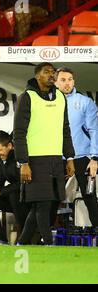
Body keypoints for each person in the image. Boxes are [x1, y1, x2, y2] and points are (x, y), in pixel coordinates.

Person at [13, 62, 75, 246]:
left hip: (56, 159)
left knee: (51, 203)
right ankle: (49, 244)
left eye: (53, 72)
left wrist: (69, 157)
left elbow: (66, 129)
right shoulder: (27, 97)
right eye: (46, 72)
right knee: (42, 205)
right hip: (34, 160)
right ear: (37, 76)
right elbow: (19, 133)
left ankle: (22, 243)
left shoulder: (61, 98)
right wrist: (23, 162)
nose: (51, 74)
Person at [55, 67, 98, 228]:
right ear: (56, 82)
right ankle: (45, 238)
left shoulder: (85, 102)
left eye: (70, 79)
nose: (67, 83)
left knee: (89, 196)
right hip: (57, 157)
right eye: (63, 80)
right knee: (50, 198)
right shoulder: (49, 103)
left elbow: (95, 130)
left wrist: (94, 157)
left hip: (82, 157)